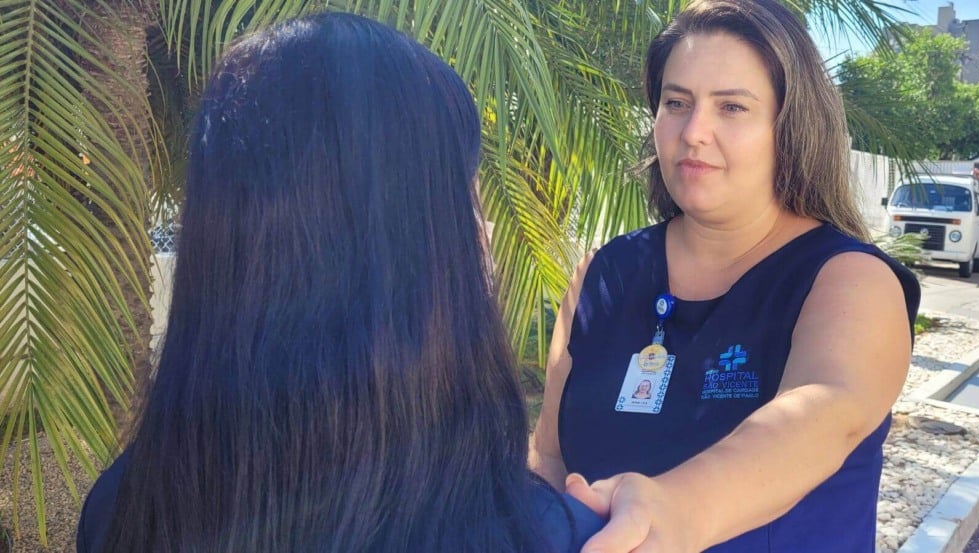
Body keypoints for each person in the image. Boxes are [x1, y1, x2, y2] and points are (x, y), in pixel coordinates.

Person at [76, 12, 602, 553]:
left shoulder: (118, 508)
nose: (480, 234)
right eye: (460, 197)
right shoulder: (541, 533)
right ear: (420, 254)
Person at [529, 0, 920, 551]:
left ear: (789, 126)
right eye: (676, 102)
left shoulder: (848, 281)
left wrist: (677, 510)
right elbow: (547, 455)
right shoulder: (603, 274)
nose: (694, 132)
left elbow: (826, 415)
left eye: (732, 107)